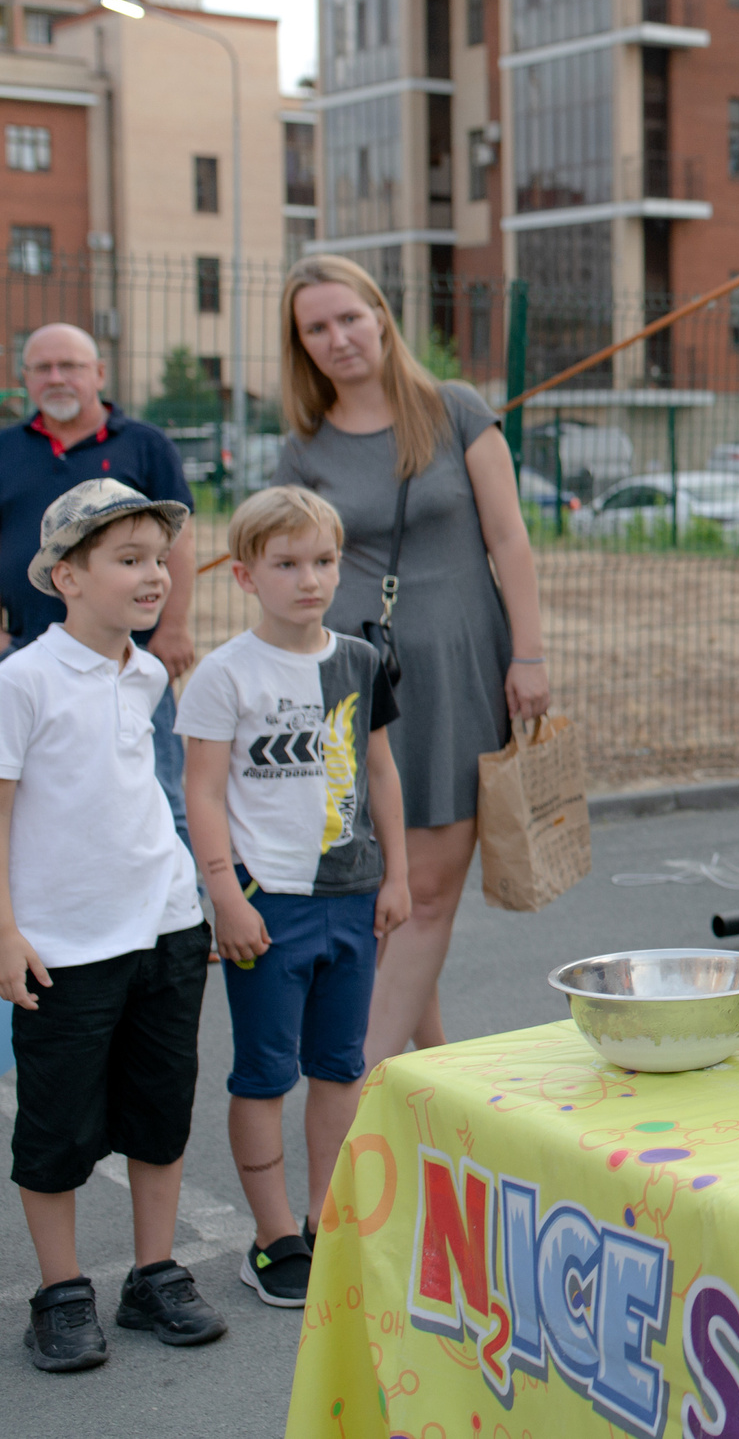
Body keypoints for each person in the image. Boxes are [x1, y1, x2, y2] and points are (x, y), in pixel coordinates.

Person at [272, 255, 548, 1063]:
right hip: (355, 684)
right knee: (385, 894)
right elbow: (287, 566)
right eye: (316, 328)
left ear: (382, 316)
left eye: (349, 317)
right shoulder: (305, 448)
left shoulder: (454, 410)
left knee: (425, 892)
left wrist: (528, 653)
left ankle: (358, 1087)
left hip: (461, 670)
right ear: (301, 346)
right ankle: (425, 1071)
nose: (338, 337)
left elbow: (510, 539)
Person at [0, 480, 227, 1371]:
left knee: (161, 1110)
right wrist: (6, 929)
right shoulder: (22, 679)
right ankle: (59, 1291)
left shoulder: (145, 674)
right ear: (67, 577)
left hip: (166, 927)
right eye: (127, 560)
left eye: (159, 559)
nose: (155, 575)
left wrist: (194, 902)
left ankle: (153, 1273)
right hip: (65, 946)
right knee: (56, 1128)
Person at [178, 486, 409, 1309]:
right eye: (286, 563)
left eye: (323, 561)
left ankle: (323, 1218)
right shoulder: (222, 674)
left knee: (340, 1068)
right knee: (265, 1075)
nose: (309, 579)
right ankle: (272, 1237)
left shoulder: (358, 659)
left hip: (352, 896)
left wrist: (399, 874)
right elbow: (201, 792)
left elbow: (380, 770)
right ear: (243, 574)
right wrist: (225, 897)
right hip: (267, 904)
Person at [0, 324, 198, 836]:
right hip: (24, 650)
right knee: (35, 802)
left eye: (71, 366)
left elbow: (180, 543)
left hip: (127, 657)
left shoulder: (146, 446)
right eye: (42, 368)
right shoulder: (5, 449)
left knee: (157, 793)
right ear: (24, 378)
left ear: (100, 374)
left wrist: (172, 628)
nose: (57, 377)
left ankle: (176, 908)